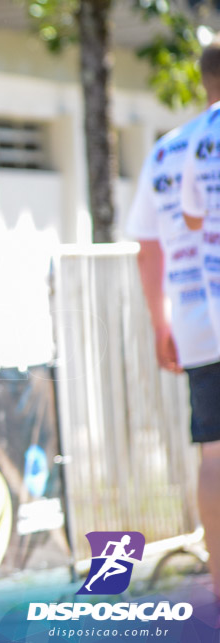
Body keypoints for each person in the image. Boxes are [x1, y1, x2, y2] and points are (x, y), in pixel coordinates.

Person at [149, 36, 220, 599]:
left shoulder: (174, 148)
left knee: (213, 451)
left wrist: (160, 323)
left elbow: (152, 244)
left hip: (198, 317)